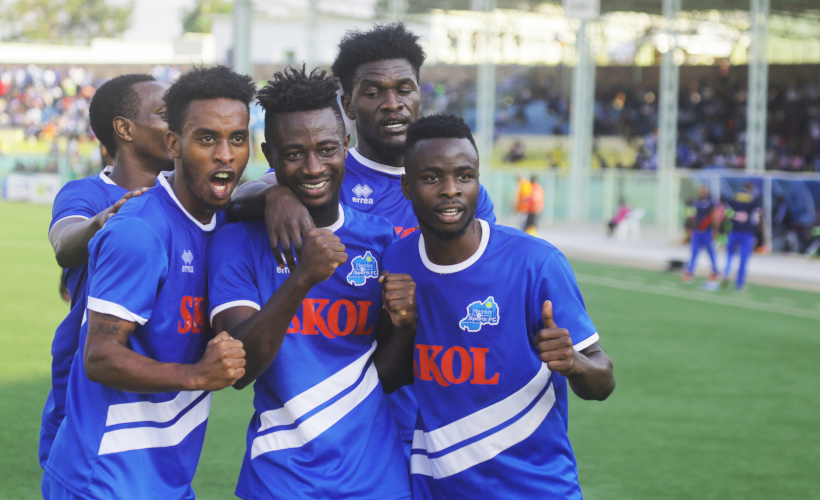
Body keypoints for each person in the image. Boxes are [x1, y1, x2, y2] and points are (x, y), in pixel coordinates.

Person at [227, 22, 497, 460]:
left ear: (420, 93)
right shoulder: (321, 170)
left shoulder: (456, 192)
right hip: (339, 425)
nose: (393, 104)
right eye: (373, 92)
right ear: (348, 105)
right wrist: (273, 192)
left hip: (436, 415)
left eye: (404, 88)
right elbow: (237, 198)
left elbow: (476, 288)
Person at [43, 66, 254, 499]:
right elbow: (99, 357)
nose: (226, 154)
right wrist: (197, 374)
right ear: (176, 142)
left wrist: (282, 195)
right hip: (104, 474)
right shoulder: (132, 225)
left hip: (163, 471)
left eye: (238, 139)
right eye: (207, 137)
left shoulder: (217, 220)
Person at [380, 114, 615, 499]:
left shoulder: (536, 263)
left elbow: (603, 380)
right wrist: (404, 327)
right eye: (432, 177)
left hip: (536, 490)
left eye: (464, 175)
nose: (450, 189)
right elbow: (391, 379)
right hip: (435, 489)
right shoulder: (397, 263)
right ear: (407, 186)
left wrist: (575, 364)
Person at [207, 65, 412, 500]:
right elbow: (240, 368)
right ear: (270, 155)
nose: (313, 166)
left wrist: (407, 326)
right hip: (280, 481)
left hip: (377, 482)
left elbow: (387, 375)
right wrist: (303, 277)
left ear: (346, 145)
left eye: (326, 149)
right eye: (295, 153)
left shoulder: (382, 241)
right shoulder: (237, 242)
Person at [38, 73, 173, 469]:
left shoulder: (185, 199)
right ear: (124, 129)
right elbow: (64, 243)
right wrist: (106, 220)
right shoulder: (88, 194)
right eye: (166, 114)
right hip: (87, 403)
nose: (177, 124)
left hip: (163, 410)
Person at [722, 182, 761, 290]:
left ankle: (727, 272)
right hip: (747, 232)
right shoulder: (754, 200)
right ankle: (739, 283)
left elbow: (725, 210)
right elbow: (756, 218)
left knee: (730, 253)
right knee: (744, 258)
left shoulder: (735, 198)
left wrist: (733, 217)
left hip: (734, 230)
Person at [683, 185, 720, 289]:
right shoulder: (697, 202)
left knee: (711, 253)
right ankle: (689, 272)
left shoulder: (711, 202)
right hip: (697, 231)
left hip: (707, 231)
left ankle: (715, 272)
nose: (701, 192)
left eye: (703, 190)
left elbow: (714, 216)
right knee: (694, 253)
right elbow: (694, 216)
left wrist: (715, 231)